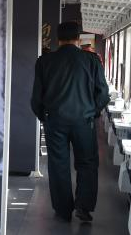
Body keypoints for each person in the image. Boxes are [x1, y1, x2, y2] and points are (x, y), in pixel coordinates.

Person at [31, 21, 110, 223]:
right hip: (83, 120)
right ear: (78, 38)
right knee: (87, 162)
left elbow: (36, 97)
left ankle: (63, 209)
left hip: (55, 120)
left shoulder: (44, 61)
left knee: (58, 164)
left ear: (58, 38)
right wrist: (93, 112)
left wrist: (44, 117)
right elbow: (103, 94)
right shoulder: (91, 60)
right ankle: (83, 207)